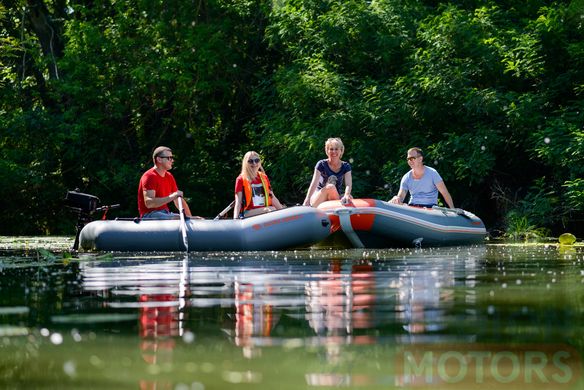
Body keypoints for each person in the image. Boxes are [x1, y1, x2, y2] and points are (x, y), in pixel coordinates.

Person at [137, 146, 193, 219]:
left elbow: (178, 200)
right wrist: (172, 196)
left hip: (165, 213)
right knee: (178, 218)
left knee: (194, 219)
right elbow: (149, 203)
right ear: (159, 159)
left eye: (172, 158)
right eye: (169, 158)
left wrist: (191, 218)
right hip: (149, 215)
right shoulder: (149, 176)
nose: (172, 160)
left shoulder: (169, 176)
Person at [389, 147, 455, 209]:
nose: (410, 161)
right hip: (413, 208)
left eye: (412, 158)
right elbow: (401, 196)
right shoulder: (406, 177)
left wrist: (453, 210)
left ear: (420, 159)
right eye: (408, 159)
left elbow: (445, 193)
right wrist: (397, 198)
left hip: (430, 208)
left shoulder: (433, 173)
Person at [303, 137, 353, 208]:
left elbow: (348, 184)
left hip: (335, 196)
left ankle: (341, 214)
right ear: (327, 151)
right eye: (331, 149)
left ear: (341, 151)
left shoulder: (346, 166)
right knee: (330, 187)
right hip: (318, 197)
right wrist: (307, 199)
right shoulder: (321, 164)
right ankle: (338, 208)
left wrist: (346, 195)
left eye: (336, 149)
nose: (334, 151)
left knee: (350, 197)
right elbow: (314, 183)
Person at [233, 151, 284, 218]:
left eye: (257, 160)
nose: (254, 163)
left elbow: (272, 197)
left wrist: (283, 211)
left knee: (274, 209)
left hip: (264, 210)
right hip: (247, 213)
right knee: (270, 209)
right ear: (246, 163)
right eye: (250, 161)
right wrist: (235, 219)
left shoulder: (264, 177)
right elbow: (238, 202)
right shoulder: (240, 179)